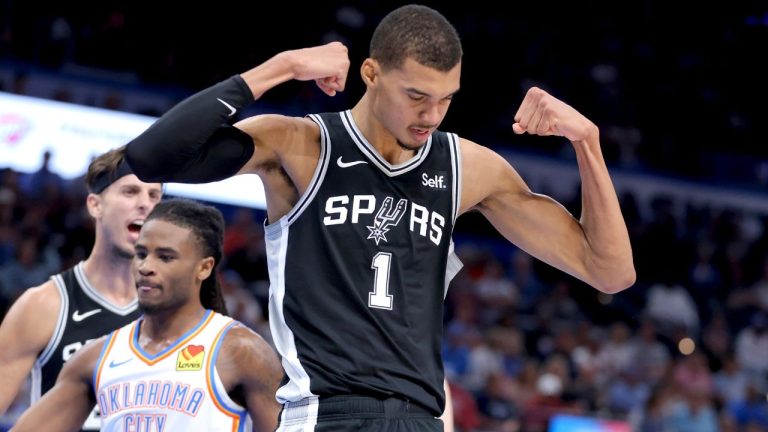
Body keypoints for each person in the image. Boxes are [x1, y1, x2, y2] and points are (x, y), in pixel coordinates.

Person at [124, 4, 635, 430]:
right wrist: (282, 67)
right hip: (325, 413)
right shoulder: (302, 145)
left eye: (445, 99)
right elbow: (151, 157)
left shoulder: (468, 168)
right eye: (416, 96)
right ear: (371, 74)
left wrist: (587, 143)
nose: (431, 115)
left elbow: (610, 271)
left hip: (420, 419)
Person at [11, 198, 284, 431]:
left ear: (204, 268)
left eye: (165, 257)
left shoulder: (241, 352)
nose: (145, 267)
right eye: (141, 254)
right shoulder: (95, 358)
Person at [0, 146, 163, 430]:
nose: (144, 204)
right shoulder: (44, 305)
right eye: (130, 192)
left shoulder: (176, 312)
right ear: (95, 205)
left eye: (154, 195)